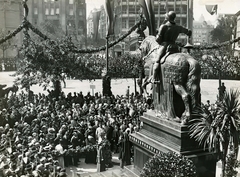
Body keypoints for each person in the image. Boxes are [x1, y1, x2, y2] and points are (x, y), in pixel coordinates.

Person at [152, 11, 192, 83]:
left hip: (164, 46)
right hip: (175, 47)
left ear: (167, 18)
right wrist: (188, 37)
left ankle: (153, 78)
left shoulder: (164, 26)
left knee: (157, 60)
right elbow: (189, 32)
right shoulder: (178, 27)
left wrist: (157, 34)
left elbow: (158, 40)